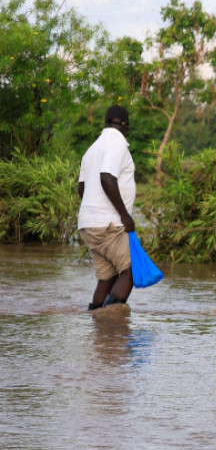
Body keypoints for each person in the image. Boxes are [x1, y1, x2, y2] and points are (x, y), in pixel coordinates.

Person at [77, 105, 137, 311]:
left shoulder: (92, 149)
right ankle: (110, 322)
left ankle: (96, 325)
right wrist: (124, 215)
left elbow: (81, 188)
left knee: (107, 278)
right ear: (126, 127)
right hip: (109, 225)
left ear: (105, 123)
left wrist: (94, 211)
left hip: (88, 225)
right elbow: (107, 177)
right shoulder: (117, 145)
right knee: (131, 271)